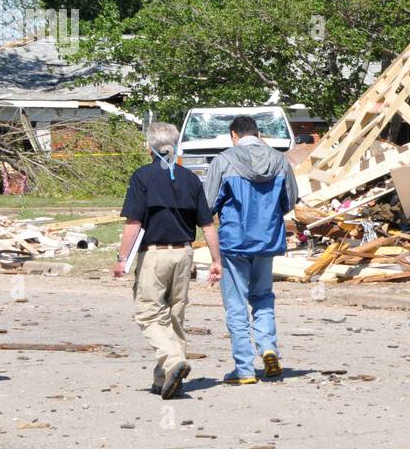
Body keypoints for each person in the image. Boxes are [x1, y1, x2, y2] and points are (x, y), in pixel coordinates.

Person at [115, 123, 223, 400]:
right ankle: (164, 378)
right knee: (175, 315)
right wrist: (215, 260)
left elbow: (135, 221)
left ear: (149, 147)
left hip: (154, 254)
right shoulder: (190, 179)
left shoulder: (143, 176)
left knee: (149, 313)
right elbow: (208, 225)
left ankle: (174, 361)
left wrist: (122, 258)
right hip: (184, 253)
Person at [203, 116, 298, 386]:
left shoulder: (223, 161)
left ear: (234, 135)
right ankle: (269, 348)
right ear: (258, 133)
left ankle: (244, 369)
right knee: (263, 297)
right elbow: (290, 200)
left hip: (234, 241)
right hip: (267, 240)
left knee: (236, 305)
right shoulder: (279, 160)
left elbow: (208, 202)